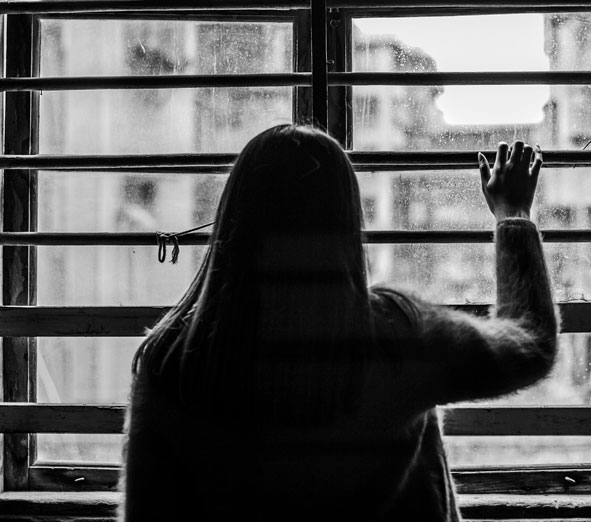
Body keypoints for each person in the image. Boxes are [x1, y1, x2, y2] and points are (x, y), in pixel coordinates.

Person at [118, 124, 558, 522]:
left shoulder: (170, 361)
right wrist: (513, 216)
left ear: (235, 215)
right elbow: (530, 344)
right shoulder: (394, 337)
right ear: (347, 220)